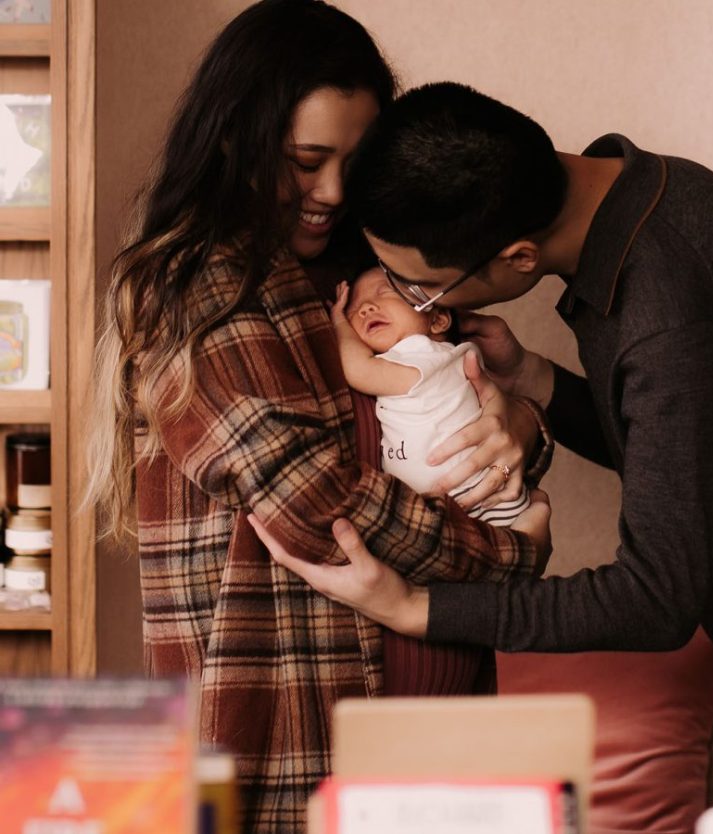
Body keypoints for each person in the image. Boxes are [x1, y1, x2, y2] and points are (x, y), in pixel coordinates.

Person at [250, 81, 713, 750]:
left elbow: (654, 599)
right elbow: (692, 447)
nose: (423, 310)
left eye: (427, 292)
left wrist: (415, 608)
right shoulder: (660, 188)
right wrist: (534, 378)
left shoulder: (667, 317)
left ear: (518, 257)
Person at [85, 14, 551, 833]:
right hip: (280, 736)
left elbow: (445, 411)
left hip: (416, 719)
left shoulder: (359, 275)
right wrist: (507, 556)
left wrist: (519, 424)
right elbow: (313, 500)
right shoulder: (197, 287)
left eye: (355, 163)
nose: (333, 192)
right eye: (306, 162)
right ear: (236, 142)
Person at [334, 267, 530, 526]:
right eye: (353, 311)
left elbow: (358, 369)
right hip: (471, 492)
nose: (366, 308)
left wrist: (338, 321)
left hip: (471, 494)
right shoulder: (438, 358)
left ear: (437, 320)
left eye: (386, 293)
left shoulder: (422, 354)